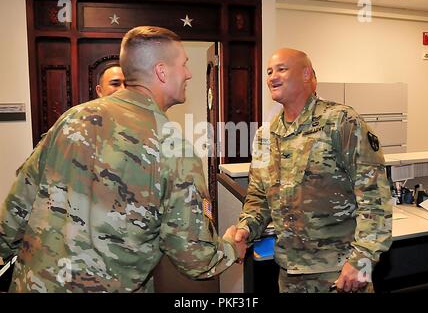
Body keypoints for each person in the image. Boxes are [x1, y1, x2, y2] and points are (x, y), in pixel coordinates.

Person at [0, 26, 246, 293]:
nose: (188, 73)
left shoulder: (72, 119)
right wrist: (232, 248)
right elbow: (194, 258)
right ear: (162, 72)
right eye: (184, 64)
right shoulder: (172, 146)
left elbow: (16, 208)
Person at [234, 48, 392, 293]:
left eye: (281, 69)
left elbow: (374, 196)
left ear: (306, 73)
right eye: (269, 71)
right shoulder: (265, 136)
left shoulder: (341, 121)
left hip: (340, 271)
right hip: (289, 272)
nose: (272, 77)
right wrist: (245, 228)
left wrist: (363, 259)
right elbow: (258, 199)